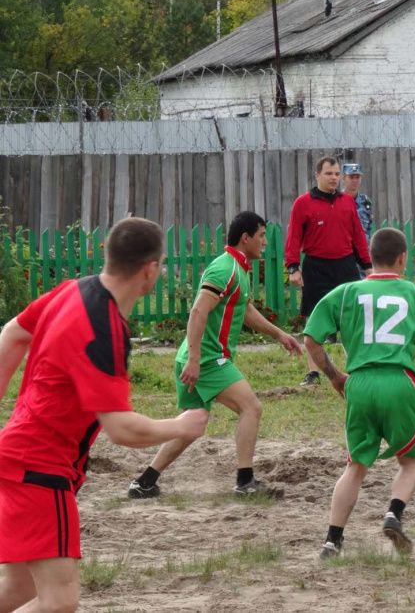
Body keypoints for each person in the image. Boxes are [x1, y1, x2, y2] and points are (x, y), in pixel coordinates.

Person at [0, 218, 208, 612]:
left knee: (18, 589)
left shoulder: (73, 289)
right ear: (151, 269)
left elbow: (12, 333)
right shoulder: (104, 330)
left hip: (14, 455)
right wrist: (180, 425)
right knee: (59, 601)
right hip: (41, 470)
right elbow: (120, 428)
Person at [127, 211, 303, 499]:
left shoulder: (237, 268)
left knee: (193, 423)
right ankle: (245, 482)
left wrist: (279, 334)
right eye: (261, 236)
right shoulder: (225, 269)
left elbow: (244, 309)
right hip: (207, 359)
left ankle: (145, 481)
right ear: (245, 238)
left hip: (199, 357)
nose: (265, 243)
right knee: (252, 408)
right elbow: (198, 311)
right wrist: (196, 360)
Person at [303, 227, 415, 557]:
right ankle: (394, 513)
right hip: (400, 382)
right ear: (402, 259)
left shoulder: (347, 292)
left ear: (371, 257)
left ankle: (332, 540)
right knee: (410, 462)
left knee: (355, 466)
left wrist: (335, 376)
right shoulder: (414, 294)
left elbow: (310, 339)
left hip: (360, 383)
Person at [286, 156, 372, 387]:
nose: (333, 178)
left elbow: (358, 237)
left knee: (353, 319)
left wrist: (368, 266)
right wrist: (293, 267)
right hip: (316, 267)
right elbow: (293, 237)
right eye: (329, 174)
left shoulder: (347, 203)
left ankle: (358, 367)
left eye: (336, 174)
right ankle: (313, 374)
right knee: (314, 322)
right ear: (317, 175)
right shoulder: (303, 204)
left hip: (345, 266)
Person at [342, 162, 373, 239]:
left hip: (363, 248)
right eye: (351, 177)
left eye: (357, 177)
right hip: (345, 248)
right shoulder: (337, 201)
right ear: (343, 178)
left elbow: (368, 228)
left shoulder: (366, 201)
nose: (355, 180)